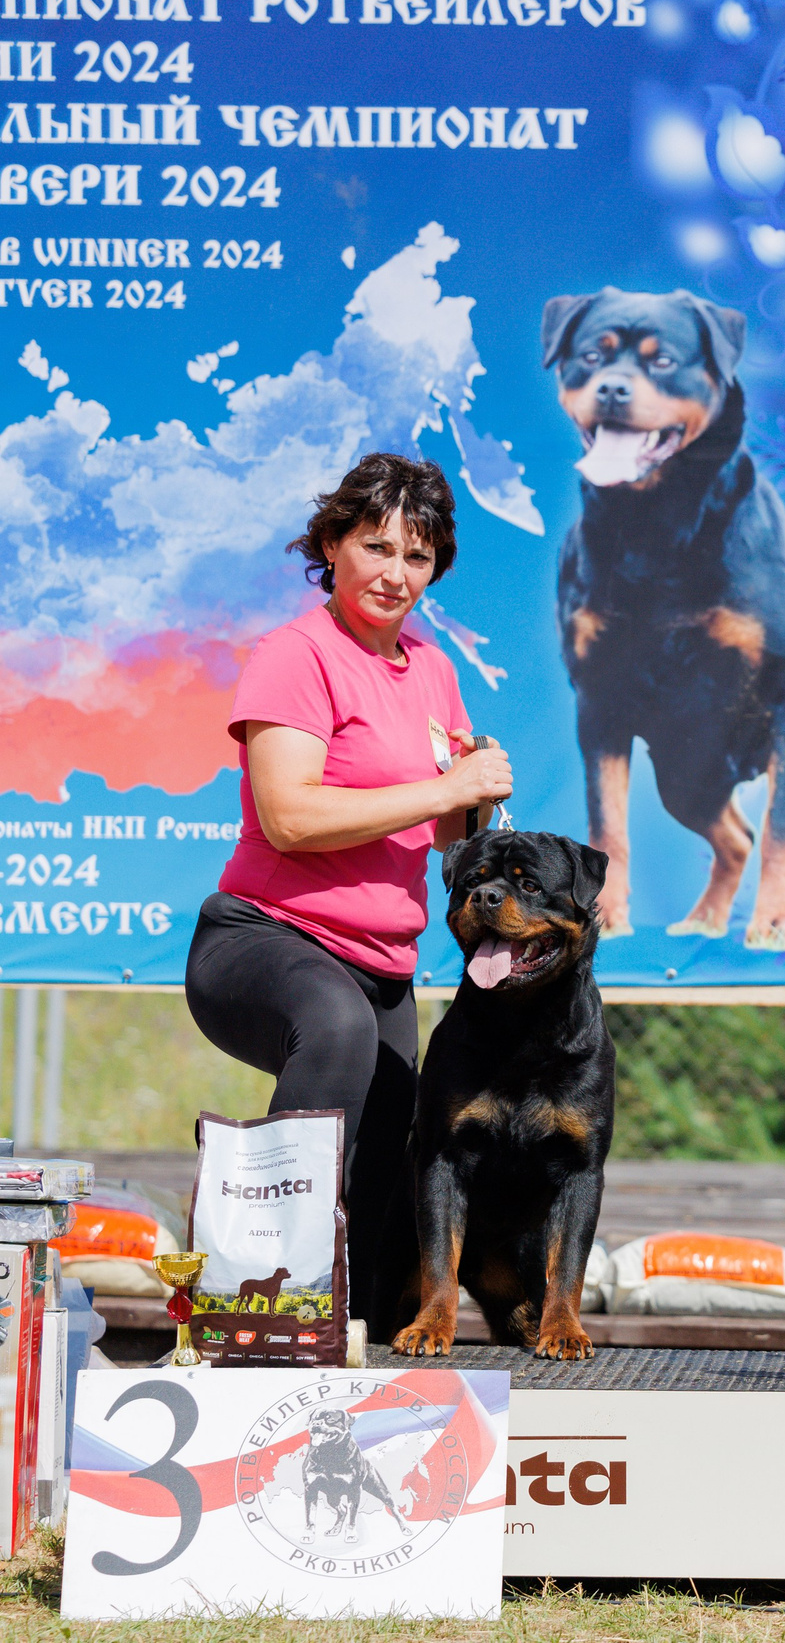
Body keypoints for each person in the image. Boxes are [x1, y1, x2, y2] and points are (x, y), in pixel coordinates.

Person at [185, 453, 513, 1333]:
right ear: (331, 545)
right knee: (337, 1034)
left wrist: (472, 797)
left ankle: (347, 1343)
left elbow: (443, 834)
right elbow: (291, 818)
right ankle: (256, 1313)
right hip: (262, 940)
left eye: (417, 556)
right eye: (375, 547)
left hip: (384, 966)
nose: (394, 573)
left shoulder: (434, 671)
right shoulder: (295, 656)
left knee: (392, 1147)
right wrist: (445, 790)